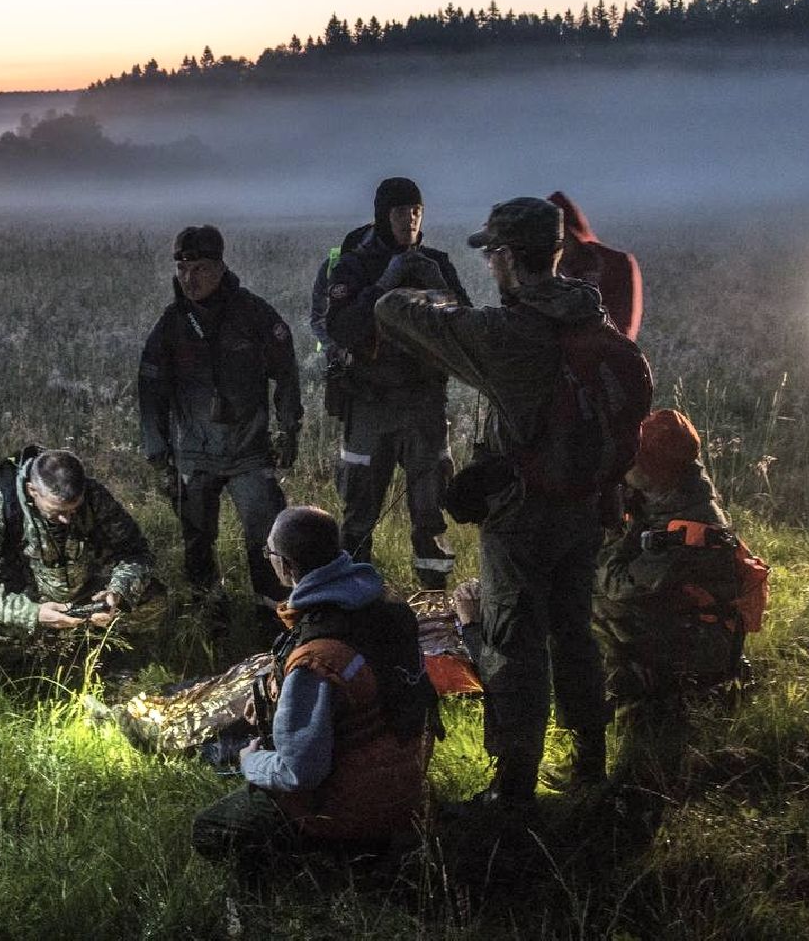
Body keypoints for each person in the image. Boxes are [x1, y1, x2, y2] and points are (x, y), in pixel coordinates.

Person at [374, 197, 648, 807]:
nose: (490, 264)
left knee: (512, 644)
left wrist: (433, 296)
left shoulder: (508, 337)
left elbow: (393, 310)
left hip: (524, 517)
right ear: (556, 254)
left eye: (493, 253)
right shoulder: (591, 322)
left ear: (505, 258)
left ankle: (515, 788)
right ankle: (589, 764)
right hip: (587, 508)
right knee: (574, 633)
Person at [191, 506, 438, 876]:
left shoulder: (318, 658)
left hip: (353, 815)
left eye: (269, 554)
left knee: (211, 828)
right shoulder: (385, 609)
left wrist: (250, 763)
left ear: (287, 567)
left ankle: (327, 865)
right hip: (406, 790)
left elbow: (299, 772)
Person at [138, 225, 302, 628]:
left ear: (221, 267)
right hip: (195, 453)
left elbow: (287, 372)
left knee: (266, 538)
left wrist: (288, 429)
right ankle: (210, 617)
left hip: (248, 450)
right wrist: (159, 455)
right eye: (183, 268)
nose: (190, 278)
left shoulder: (253, 314)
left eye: (201, 268)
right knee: (197, 540)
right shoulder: (172, 325)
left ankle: (273, 618)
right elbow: (149, 390)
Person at [323, 177, 470, 586]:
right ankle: (355, 600)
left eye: (417, 211)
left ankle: (435, 600)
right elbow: (343, 328)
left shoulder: (435, 262)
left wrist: (437, 284)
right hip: (370, 403)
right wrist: (383, 285)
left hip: (424, 402)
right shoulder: (354, 266)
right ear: (383, 215)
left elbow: (466, 326)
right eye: (402, 211)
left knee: (430, 512)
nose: (411, 219)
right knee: (358, 514)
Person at [594, 409, 759, 705]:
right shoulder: (677, 496)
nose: (625, 467)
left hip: (698, 652)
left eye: (633, 460)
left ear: (655, 470)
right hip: (700, 634)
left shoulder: (688, 529)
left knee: (587, 599)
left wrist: (614, 533)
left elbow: (618, 585)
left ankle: (643, 683)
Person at [0, 448, 155, 660]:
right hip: (29, 599)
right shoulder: (3, 503)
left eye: (73, 509)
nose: (67, 519)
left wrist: (117, 591)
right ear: (32, 490)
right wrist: (32, 613)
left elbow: (137, 553)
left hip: (86, 599)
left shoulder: (95, 497)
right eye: (57, 511)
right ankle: (18, 682)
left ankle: (118, 666)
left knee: (154, 600)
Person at [549, 191, 643, 340]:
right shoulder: (544, 270)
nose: (554, 244)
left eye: (559, 236)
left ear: (571, 232)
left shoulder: (617, 264)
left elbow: (623, 328)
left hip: (608, 355)